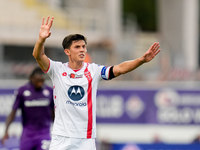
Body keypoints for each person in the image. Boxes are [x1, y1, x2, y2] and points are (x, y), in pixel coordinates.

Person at [32, 16, 161, 150]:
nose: (82, 50)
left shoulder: (94, 70)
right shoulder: (57, 70)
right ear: (67, 51)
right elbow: (38, 56)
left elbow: (119, 69)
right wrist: (41, 39)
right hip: (61, 137)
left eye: (83, 46)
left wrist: (141, 60)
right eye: (77, 47)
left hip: (85, 139)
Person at [1, 67, 54, 150]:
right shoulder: (22, 91)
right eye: (38, 80)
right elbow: (13, 112)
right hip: (27, 135)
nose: (40, 83)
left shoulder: (50, 91)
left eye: (42, 80)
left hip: (44, 133)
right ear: (31, 78)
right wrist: (6, 130)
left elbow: (53, 114)